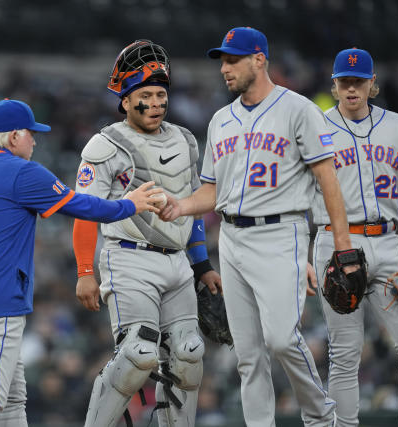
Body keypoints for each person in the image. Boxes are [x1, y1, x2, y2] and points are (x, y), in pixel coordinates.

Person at [0, 98, 163, 427]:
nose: (35, 140)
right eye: (30, 133)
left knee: (11, 402)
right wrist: (129, 205)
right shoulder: (20, 172)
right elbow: (81, 206)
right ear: (13, 136)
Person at [159, 27, 359, 426]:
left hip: (280, 232)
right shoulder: (221, 120)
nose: (225, 69)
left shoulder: (298, 109)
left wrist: (343, 245)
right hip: (231, 238)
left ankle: (323, 417)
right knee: (248, 356)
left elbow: (328, 179)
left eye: (233, 59)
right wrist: (180, 205)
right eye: (222, 61)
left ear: (259, 59)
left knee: (283, 340)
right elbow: (211, 192)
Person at [72, 40, 221, 427]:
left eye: (160, 94)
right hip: (128, 256)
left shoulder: (186, 139)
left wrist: (202, 263)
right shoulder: (105, 144)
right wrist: (85, 272)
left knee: (189, 355)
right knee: (138, 354)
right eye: (145, 95)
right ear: (124, 100)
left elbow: (193, 208)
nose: (155, 102)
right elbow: (83, 210)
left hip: (177, 263)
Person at [311, 48, 398, 426]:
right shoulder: (315, 128)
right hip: (335, 242)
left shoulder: (397, 126)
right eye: (344, 82)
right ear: (334, 85)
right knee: (346, 353)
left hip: (388, 243)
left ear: (371, 84)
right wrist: (302, 257)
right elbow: (298, 198)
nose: (351, 88)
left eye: (358, 81)